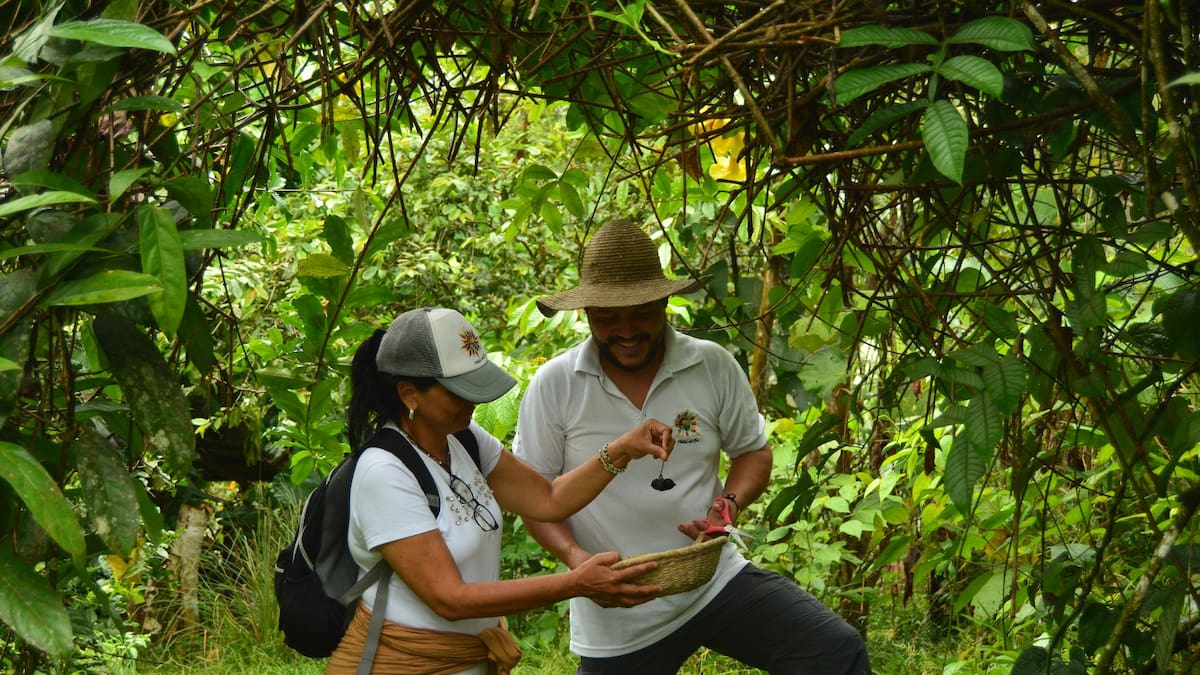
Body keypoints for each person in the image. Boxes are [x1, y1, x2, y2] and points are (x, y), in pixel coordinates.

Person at [513, 220, 872, 674]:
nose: (625, 330)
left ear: (663, 301)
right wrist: (578, 562)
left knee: (834, 651)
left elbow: (753, 453)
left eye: (640, 313)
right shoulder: (557, 384)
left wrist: (727, 509)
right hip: (620, 609)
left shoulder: (711, 365)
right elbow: (533, 494)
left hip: (714, 578)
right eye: (607, 317)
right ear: (585, 314)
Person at [325, 306, 675, 675]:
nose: (473, 402)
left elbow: (547, 499)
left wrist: (621, 451)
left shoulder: (464, 440)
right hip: (402, 662)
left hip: (471, 658)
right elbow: (450, 599)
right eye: (457, 392)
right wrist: (575, 583)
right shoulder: (384, 472)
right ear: (410, 393)